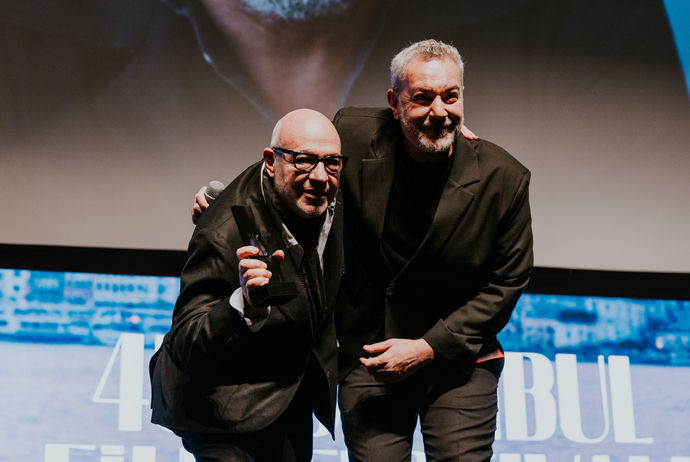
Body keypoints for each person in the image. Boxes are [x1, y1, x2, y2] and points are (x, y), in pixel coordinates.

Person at [194, 40, 533, 461]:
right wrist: (223, 207)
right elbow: (289, 167)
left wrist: (428, 347)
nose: (439, 111)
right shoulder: (354, 133)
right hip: (371, 352)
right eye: (422, 98)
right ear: (394, 103)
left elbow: (507, 281)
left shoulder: (505, 178)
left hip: (459, 359)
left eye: (450, 96)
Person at [150, 108, 346, 461]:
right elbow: (186, 342)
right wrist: (243, 306)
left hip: (285, 394)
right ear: (271, 162)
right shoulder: (221, 230)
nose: (320, 176)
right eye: (304, 161)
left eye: (331, 163)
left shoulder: (329, 190)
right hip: (220, 406)